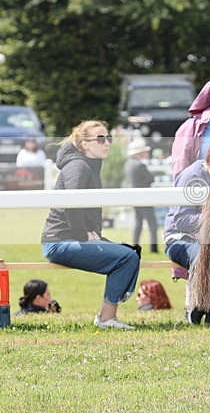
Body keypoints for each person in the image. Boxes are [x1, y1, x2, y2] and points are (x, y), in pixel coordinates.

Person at [41, 120, 140, 330]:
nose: (106, 143)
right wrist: (83, 236)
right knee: (127, 257)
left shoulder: (89, 165)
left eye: (108, 138)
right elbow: (72, 204)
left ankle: (107, 317)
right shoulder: (78, 166)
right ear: (85, 144)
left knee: (129, 253)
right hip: (60, 242)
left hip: (69, 239)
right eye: (100, 138)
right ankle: (106, 319)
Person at [163, 137, 210, 325]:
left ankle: (209, 309)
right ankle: (201, 307)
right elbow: (181, 220)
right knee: (208, 256)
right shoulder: (191, 177)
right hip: (180, 239)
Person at [124, 137, 158, 253]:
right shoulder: (140, 165)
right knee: (152, 223)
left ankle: (134, 244)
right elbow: (150, 178)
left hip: (134, 197)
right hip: (144, 198)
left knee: (138, 223)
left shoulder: (128, 164)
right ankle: (154, 248)